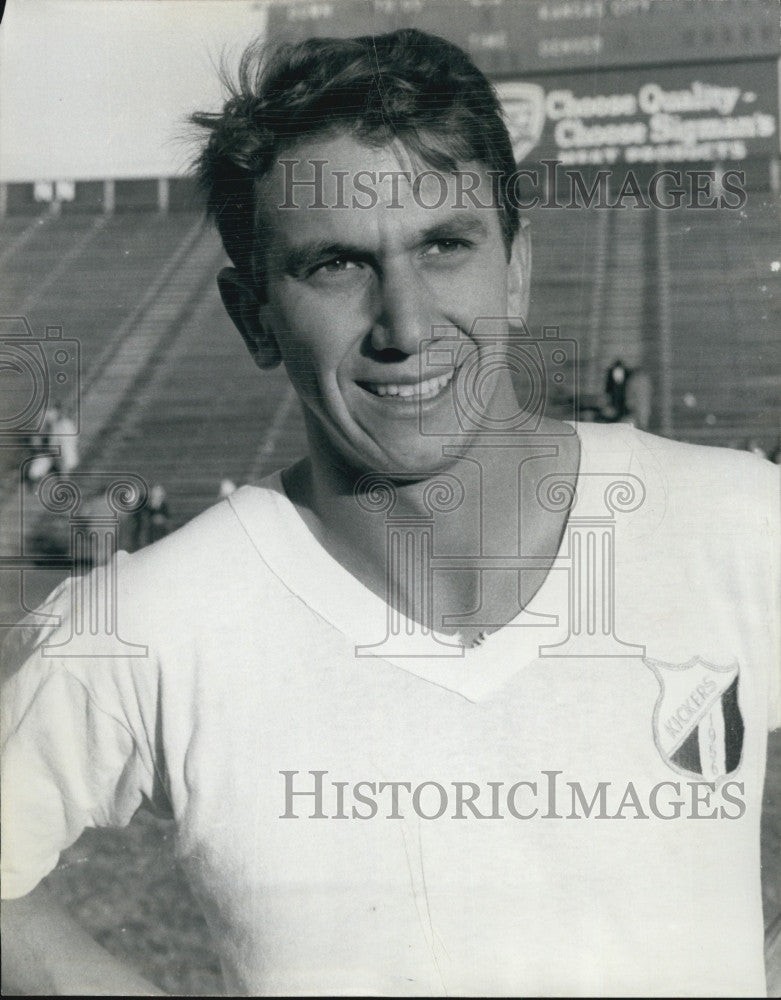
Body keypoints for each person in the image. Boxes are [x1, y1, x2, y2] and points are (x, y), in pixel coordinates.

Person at [2, 29, 779, 998]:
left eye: (444, 246)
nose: (406, 325)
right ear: (253, 317)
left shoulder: (743, 527)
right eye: (335, 265)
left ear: (518, 267)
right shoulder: (151, 623)